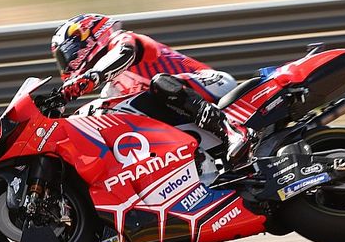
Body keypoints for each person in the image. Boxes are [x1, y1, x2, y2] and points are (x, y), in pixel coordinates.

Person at [50, 13, 255, 170]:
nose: (66, 64)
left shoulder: (123, 41)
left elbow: (126, 53)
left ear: (85, 38)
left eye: (66, 54)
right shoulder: (111, 90)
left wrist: (92, 76)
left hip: (211, 85)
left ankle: (233, 132)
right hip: (184, 118)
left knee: (159, 84)